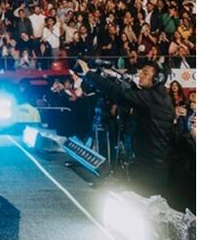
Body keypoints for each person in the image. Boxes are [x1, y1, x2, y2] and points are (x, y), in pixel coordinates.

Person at [74, 59, 175, 197]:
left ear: (158, 78)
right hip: (147, 162)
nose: (140, 75)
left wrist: (89, 74)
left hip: (151, 167)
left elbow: (121, 94)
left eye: (145, 73)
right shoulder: (155, 96)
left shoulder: (154, 98)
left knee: (141, 202)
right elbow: (128, 94)